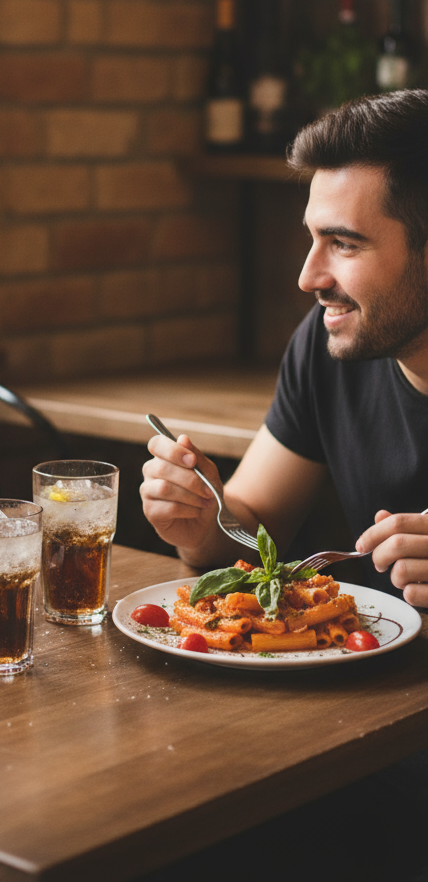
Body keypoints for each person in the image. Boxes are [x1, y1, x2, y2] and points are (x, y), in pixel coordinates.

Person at [140, 88, 428, 882]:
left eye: (343, 243)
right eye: (311, 240)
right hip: (358, 721)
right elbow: (254, 517)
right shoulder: (327, 341)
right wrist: (201, 520)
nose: (309, 277)